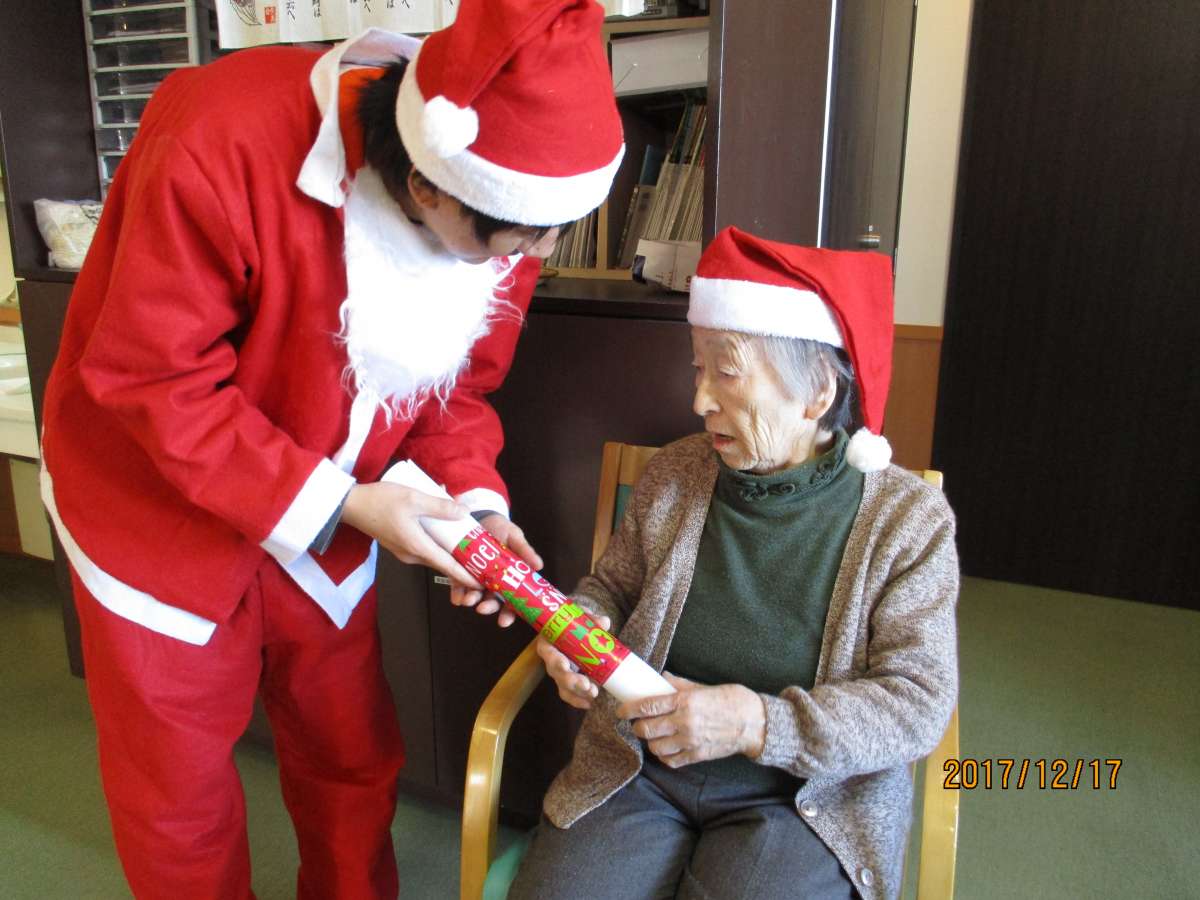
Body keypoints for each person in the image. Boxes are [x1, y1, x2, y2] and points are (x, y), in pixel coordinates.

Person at [37, 1, 623, 896]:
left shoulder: (510, 195)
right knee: (178, 801)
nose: (531, 257)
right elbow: (154, 380)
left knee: (350, 758)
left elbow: (456, 388)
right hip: (151, 506)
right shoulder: (219, 136)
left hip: (335, 508)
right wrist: (345, 503)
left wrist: (474, 505)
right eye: (517, 241)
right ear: (428, 187)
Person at [510, 226, 959, 900]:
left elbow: (916, 704)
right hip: (640, 767)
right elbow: (611, 588)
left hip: (799, 797)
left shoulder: (907, 522)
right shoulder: (676, 474)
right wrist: (579, 629)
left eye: (727, 371)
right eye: (699, 368)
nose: (699, 400)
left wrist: (756, 725)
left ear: (817, 394)